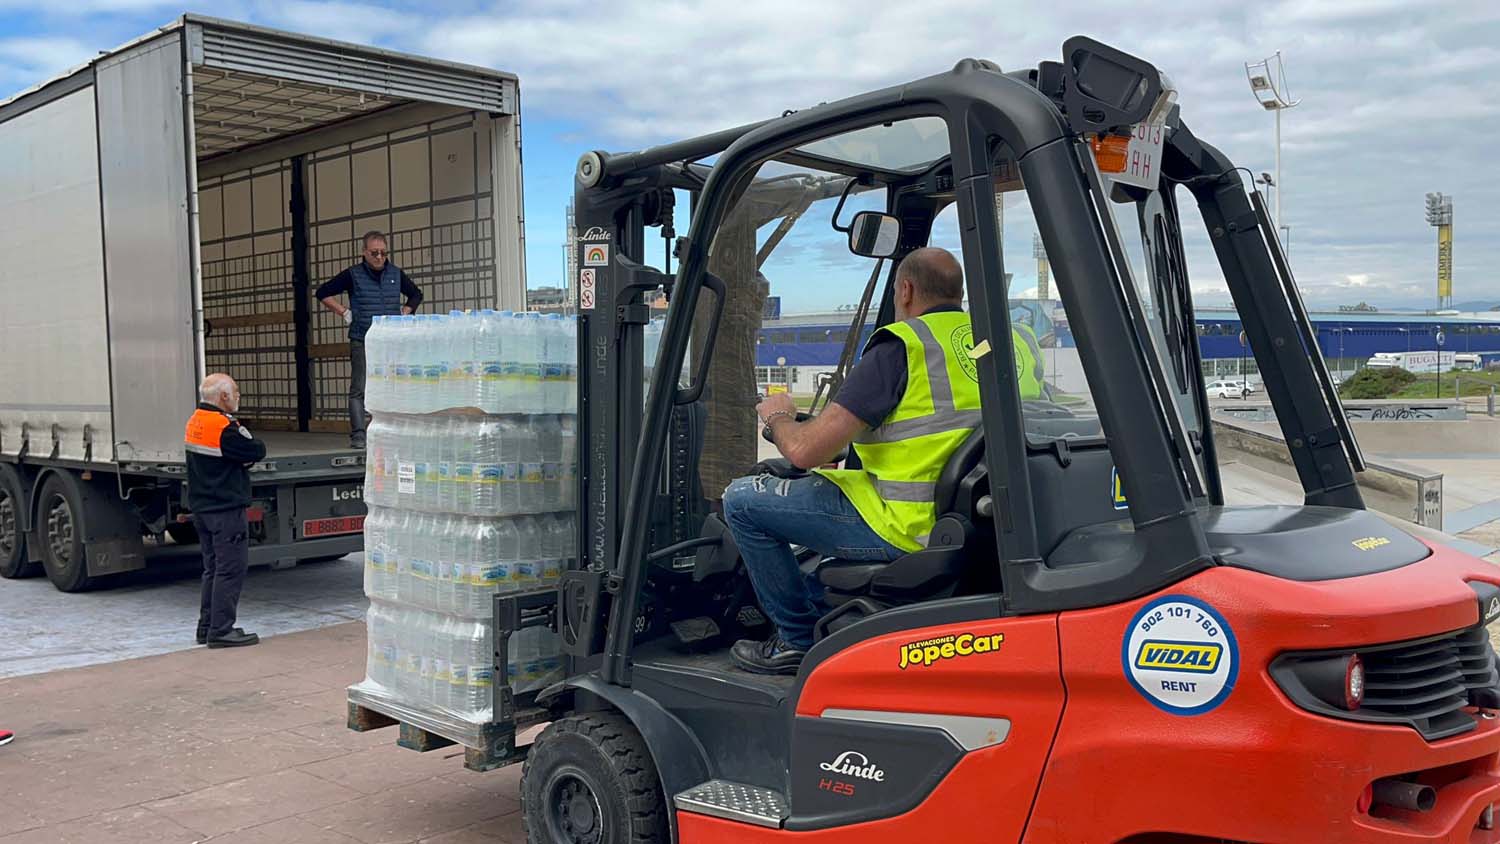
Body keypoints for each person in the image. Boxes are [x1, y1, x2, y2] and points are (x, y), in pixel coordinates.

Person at [722, 247, 1041, 674]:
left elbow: (803, 452)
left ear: (905, 290)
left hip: (909, 525)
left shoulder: (901, 347)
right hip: (992, 520)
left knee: (743, 500)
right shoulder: (1014, 342)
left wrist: (778, 417)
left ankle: (794, 640)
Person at [316, 230, 423, 448]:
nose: (379, 257)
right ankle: (358, 435)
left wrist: (406, 310)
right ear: (364, 252)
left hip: (389, 341)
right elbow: (323, 292)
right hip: (362, 338)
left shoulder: (395, 273)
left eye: (383, 253)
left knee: (391, 385)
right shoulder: (353, 274)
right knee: (359, 388)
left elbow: (416, 293)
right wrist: (344, 312)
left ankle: (389, 431)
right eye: (374, 253)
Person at [184, 374, 267, 649]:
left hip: (203, 507)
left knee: (212, 568)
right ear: (223, 397)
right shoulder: (224, 428)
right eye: (236, 392)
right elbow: (257, 449)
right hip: (226, 509)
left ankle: (206, 626)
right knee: (231, 569)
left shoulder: (195, 420)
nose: (238, 397)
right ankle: (221, 630)